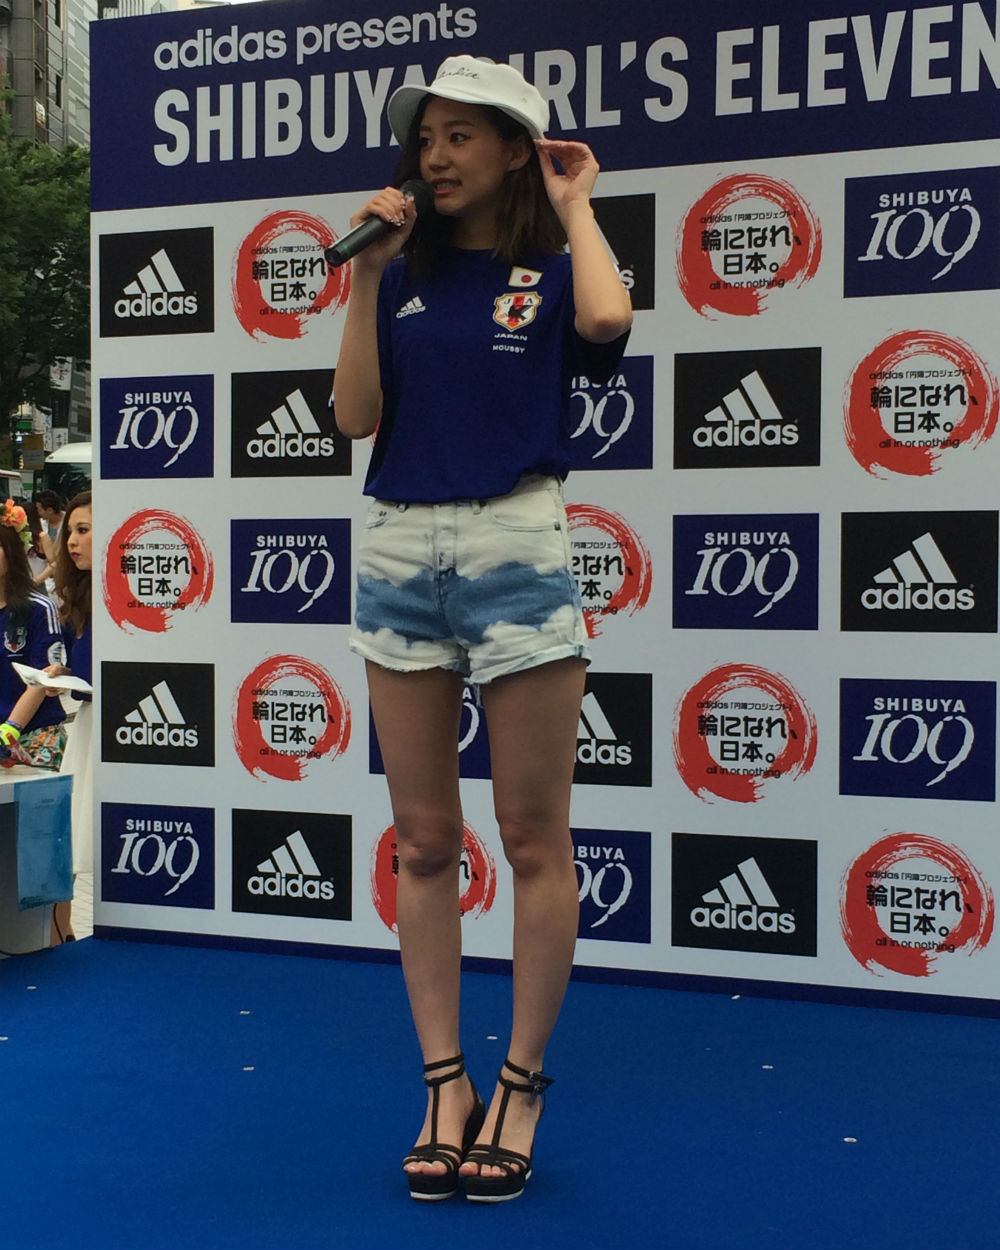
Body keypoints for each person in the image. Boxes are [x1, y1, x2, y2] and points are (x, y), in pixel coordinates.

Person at [333, 56, 632, 1203]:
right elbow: (353, 415)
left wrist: (575, 201)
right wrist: (364, 276)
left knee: (531, 836)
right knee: (421, 841)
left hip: (516, 542)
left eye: (462, 135)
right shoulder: (398, 271)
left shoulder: (552, 269)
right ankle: (443, 1083)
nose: (436, 154)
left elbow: (606, 319)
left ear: (515, 149)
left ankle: (521, 1084)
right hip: (399, 549)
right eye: (427, 137)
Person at [43, 492, 92, 945]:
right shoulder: (77, 598)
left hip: (117, 730)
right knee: (72, 836)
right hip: (89, 727)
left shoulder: (123, 600)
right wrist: (62, 675)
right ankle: (62, 932)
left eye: (83, 530)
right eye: (70, 532)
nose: (71, 542)